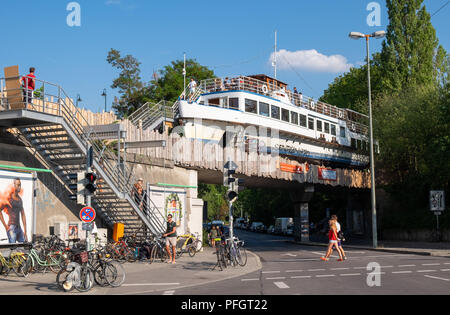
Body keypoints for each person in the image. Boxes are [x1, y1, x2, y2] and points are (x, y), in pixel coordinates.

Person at [0, 178, 28, 243]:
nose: (19, 187)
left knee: (23, 248)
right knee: (12, 249)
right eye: (18, 185)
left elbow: (23, 215)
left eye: (20, 185)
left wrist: (25, 231)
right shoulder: (9, 198)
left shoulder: (20, 200)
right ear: (14, 185)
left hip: (19, 227)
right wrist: (6, 227)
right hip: (11, 228)